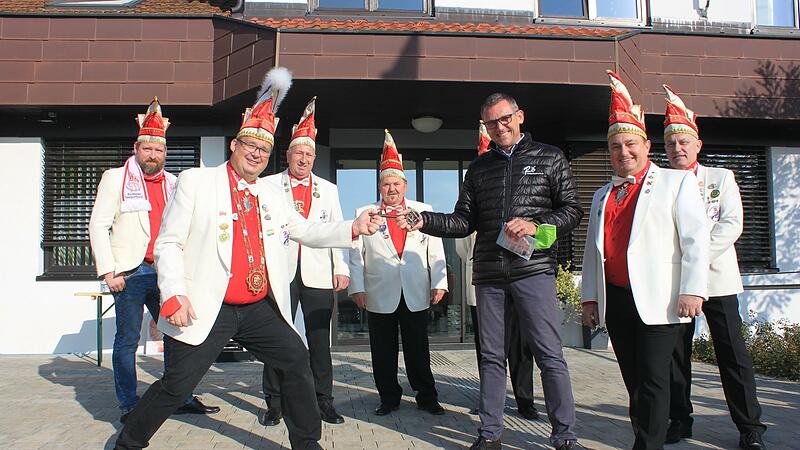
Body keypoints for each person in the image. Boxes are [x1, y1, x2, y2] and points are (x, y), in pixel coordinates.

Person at [113, 67, 382, 450]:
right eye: (250, 146)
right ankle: (127, 443)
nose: (257, 154)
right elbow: (168, 243)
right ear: (235, 146)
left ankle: (307, 442)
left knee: (295, 361)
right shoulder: (196, 181)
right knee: (177, 386)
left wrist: (351, 228)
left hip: (258, 306)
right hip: (209, 304)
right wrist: (173, 293)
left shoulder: (273, 195)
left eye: (264, 149)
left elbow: (305, 230)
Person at [399, 94, 584, 450]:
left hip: (533, 270)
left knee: (549, 355)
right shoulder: (480, 168)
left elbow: (572, 209)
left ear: (520, 116)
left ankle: (565, 436)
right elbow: (464, 220)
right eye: (491, 123)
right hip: (489, 275)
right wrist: (426, 221)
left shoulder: (550, 157)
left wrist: (535, 224)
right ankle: (490, 434)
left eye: (505, 119)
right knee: (490, 357)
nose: (500, 127)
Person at [580, 71, 710, 450]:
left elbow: (695, 240)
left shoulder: (677, 182)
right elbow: (593, 252)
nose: (624, 152)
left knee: (655, 379)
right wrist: (590, 298)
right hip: (617, 299)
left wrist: (692, 290)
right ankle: (643, 436)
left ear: (646, 144)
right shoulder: (602, 194)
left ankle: (648, 444)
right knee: (634, 380)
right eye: (616, 146)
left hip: (661, 299)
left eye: (630, 144)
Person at [88, 97, 218, 424]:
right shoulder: (115, 178)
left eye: (159, 150)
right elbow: (98, 225)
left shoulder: (176, 183)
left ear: (165, 151)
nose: (153, 155)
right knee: (127, 341)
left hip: (165, 274)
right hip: (129, 274)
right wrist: (108, 270)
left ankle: (181, 396)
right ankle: (129, 405)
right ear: (137, 147)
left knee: (180, 338)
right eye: (147, 149)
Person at [661, 85, 767, 450]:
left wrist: (695, 258)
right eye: (671, 144)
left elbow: (731, 224)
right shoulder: (660, 183)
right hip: (675, 283)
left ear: (697, 145)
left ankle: (749, 426)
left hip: (717, 279)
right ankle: (679, 419)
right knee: (676, 356)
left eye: (684, 142)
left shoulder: (721, 178)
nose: (678, 149)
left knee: (732, 354)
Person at [261, 97, 349, 426]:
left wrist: (340, 268)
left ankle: (323, 400)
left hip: (317, 273)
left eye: (309, 154)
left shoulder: (328, 190)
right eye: (299, 153)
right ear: (288, 155)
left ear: (314, 157)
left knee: (318, 339)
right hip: (279, 272)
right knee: (277, 336)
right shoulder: (268, 186)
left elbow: (338, 230)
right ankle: (274, 401)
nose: (304, 158)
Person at [347, 130, 448, 417]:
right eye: (386, 184)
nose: (391, 189)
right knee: (382, 350)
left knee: (419, 348)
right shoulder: (365, 212)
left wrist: (439, 282)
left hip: (416, 289)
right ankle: (389, 396)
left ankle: (426, 396)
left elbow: (436, 250)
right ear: (380, 187)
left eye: (396, 184)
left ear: (405, 186)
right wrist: (356, 287)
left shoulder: (423, 211)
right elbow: (356, 254)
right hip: (379, 292)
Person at [455, 122, 538, 421]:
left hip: (518, 275)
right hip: (485, 280)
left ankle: (525, 399)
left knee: (520, 345)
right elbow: (463, 248)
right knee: (488, 350)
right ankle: (490, 400)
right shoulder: (471, 200)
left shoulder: (514, 198)